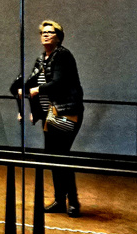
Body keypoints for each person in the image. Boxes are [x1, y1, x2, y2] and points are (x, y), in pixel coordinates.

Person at [12, 19, 85, 216]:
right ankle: (60, 201)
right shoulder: (42, 59)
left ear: (59, 37)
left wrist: (37, 90)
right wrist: (22, 93)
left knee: (61, 155)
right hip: (50, 115)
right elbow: (32, 82)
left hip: (66, 112)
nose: (45, 35)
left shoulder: (62, 55)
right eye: (43, 32)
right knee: (53, 157)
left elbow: (59, 82)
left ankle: (73, 203)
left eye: (50, 32)